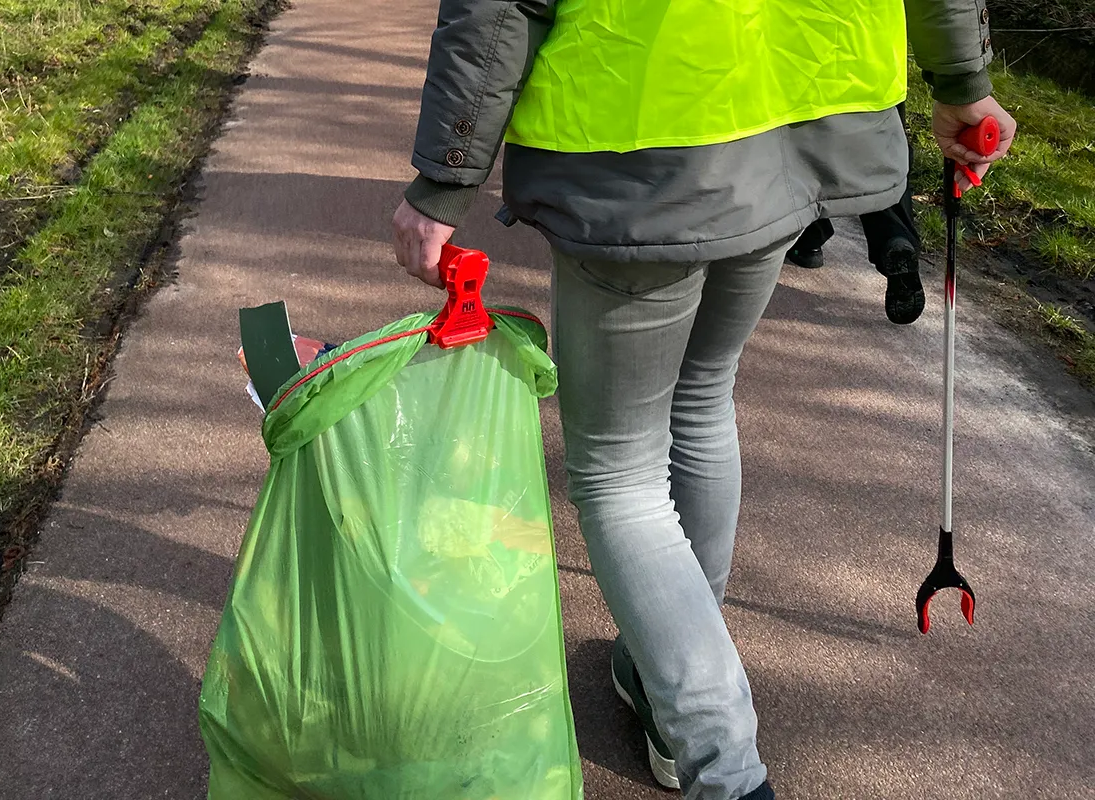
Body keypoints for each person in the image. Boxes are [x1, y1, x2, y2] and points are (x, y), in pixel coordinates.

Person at [392, 1, 1015, 798]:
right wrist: (963, 80)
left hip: (633, 152)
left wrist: (445, 176)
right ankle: (665, 687)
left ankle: (725, 768)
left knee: (619, 473)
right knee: (700, 398)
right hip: (792, 136)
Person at [784, 102, 927, 325]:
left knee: (805, 131)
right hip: (879, 77)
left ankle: (808, 237)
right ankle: (894, 236)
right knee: (880, 148)